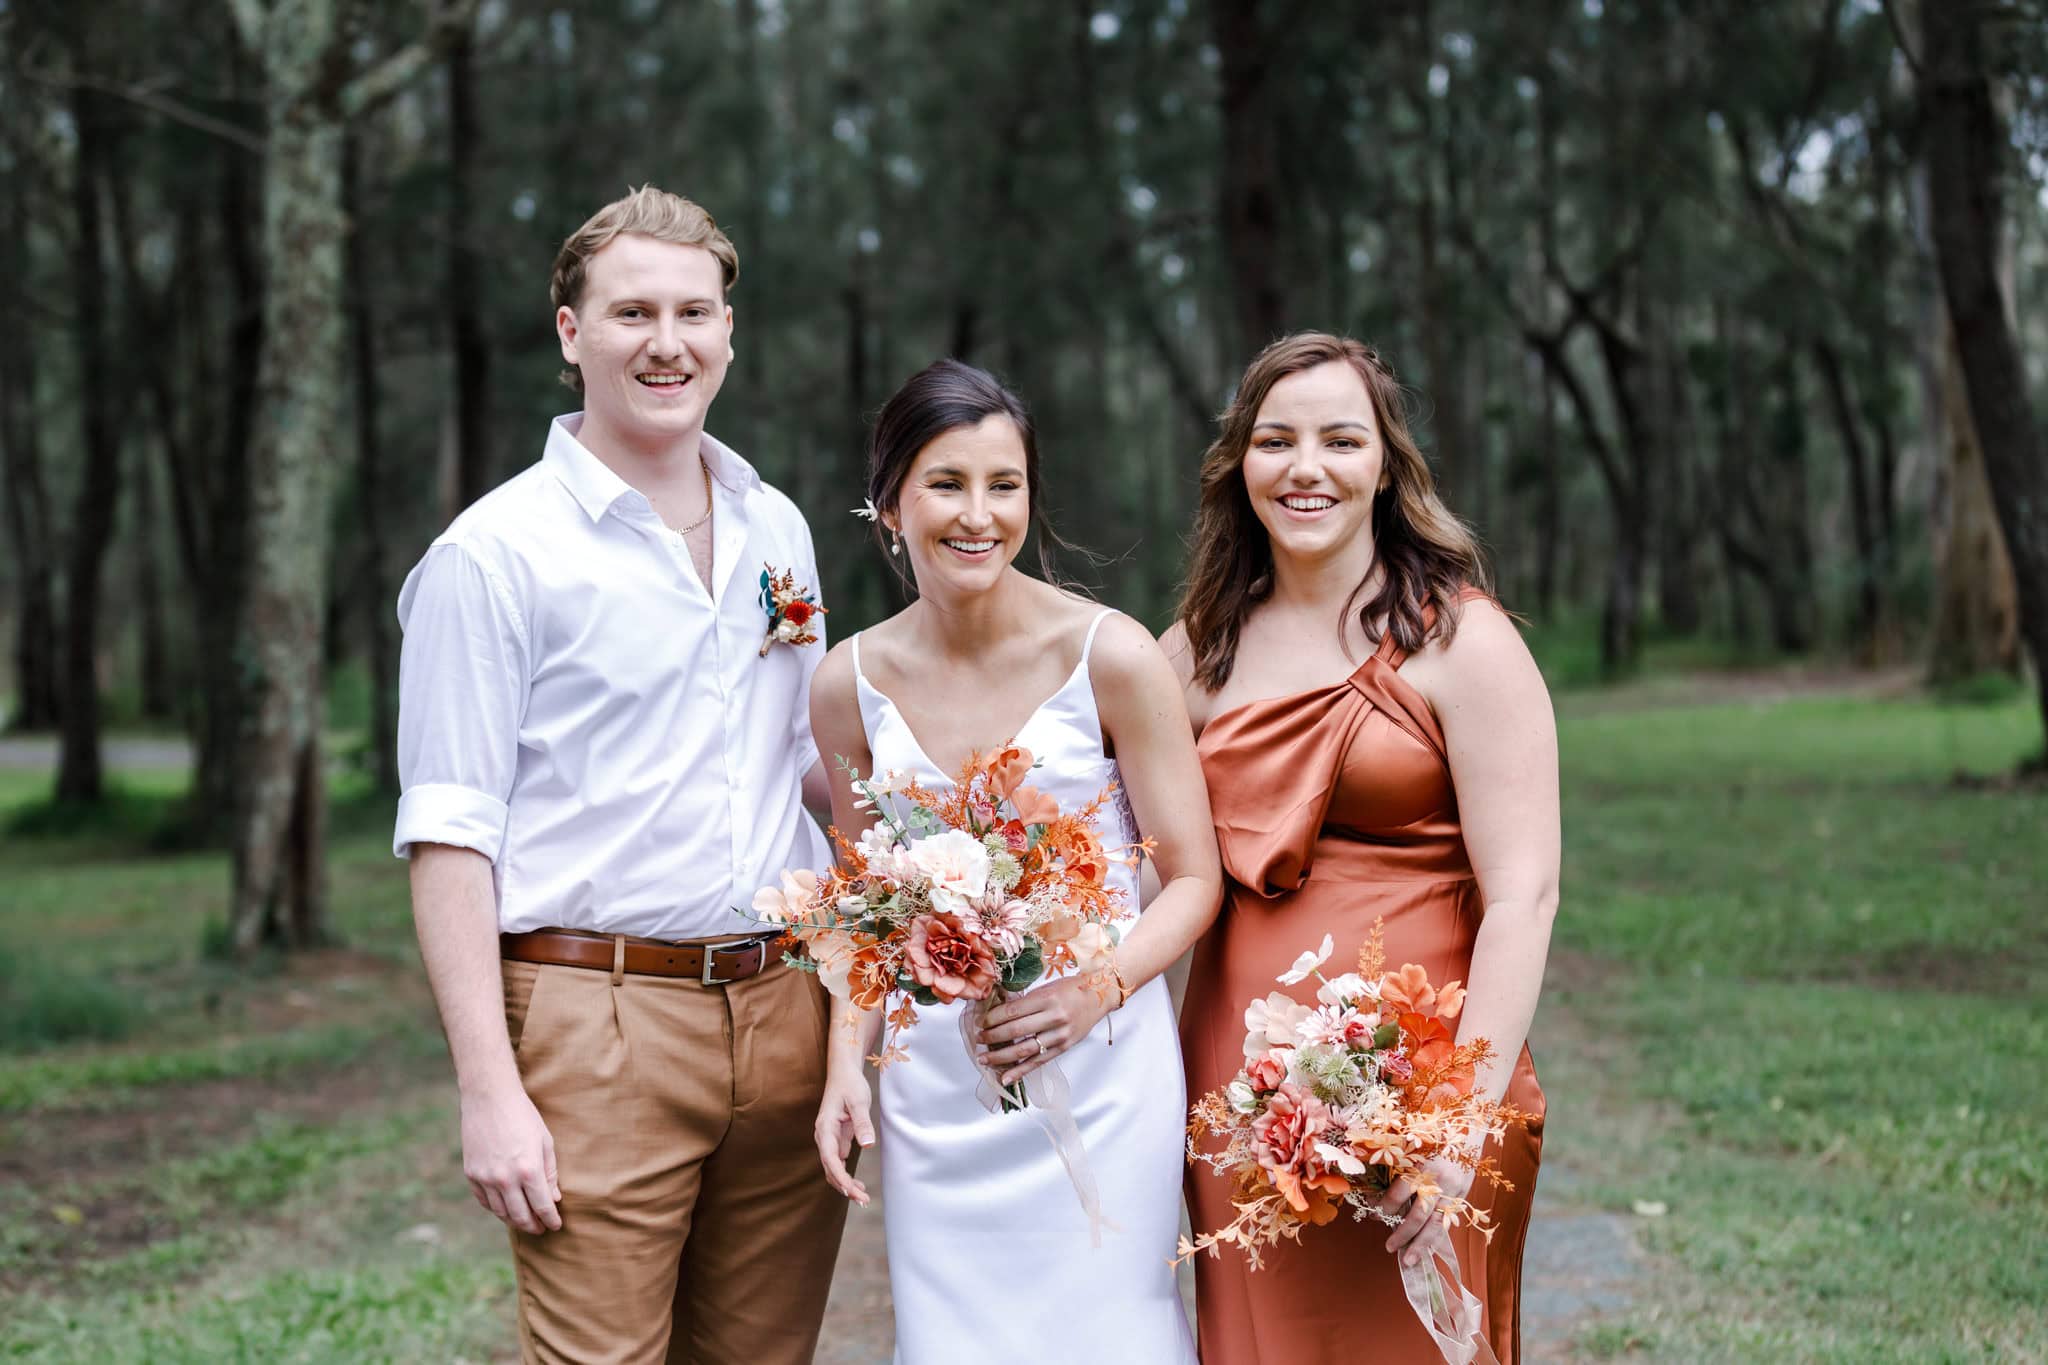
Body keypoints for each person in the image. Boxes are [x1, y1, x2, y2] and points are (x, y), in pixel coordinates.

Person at [393, 186, 845, 1364]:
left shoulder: (777, 530)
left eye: (695, 312)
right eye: (632, 311)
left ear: (729, 334)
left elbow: (800, 757)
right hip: (596, 1022)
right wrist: (489, 1092)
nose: (667, 342)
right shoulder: (490, 559)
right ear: (568, 333)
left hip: (784, 1006)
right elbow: (450, 835)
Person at [806, 359, 1221, 1363]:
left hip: (1101, 1062)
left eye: (1004, 485)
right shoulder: (844, 684)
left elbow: (1197, 878)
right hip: (938, 1083)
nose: (977, 515)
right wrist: (841, 1071)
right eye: (946, 483)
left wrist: (1096, 989)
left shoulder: (1110, 658)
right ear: (890, 502)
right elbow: (861, 912)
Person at [1164, 332, 1557, 1364]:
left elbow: (1524, 896)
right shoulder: (1197, 648)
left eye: (1339, 440)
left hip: (1421, 1085)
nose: (1305, 468)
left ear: (1384, 462)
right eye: (1275, 440)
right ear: (1236, 464)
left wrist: (1459, 1128)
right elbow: (1078, 789)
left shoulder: (1458, 639)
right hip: (1236, 1084)